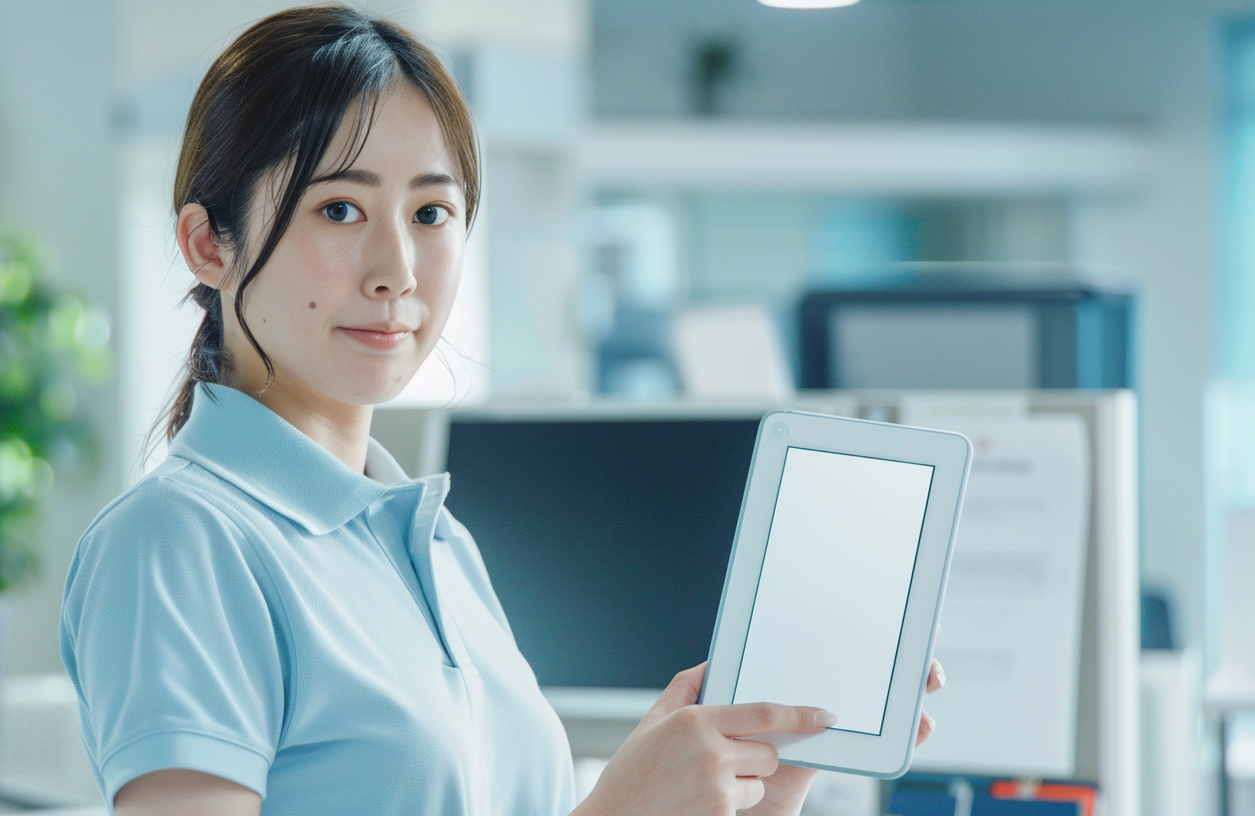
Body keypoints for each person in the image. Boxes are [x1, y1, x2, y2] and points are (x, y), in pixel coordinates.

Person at [59, 7, 944, 816]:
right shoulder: (179, 540)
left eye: (433, 212)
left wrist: (751, 794)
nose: (397, 269)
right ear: (207, 244)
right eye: (339, 208)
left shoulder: (437, 544)